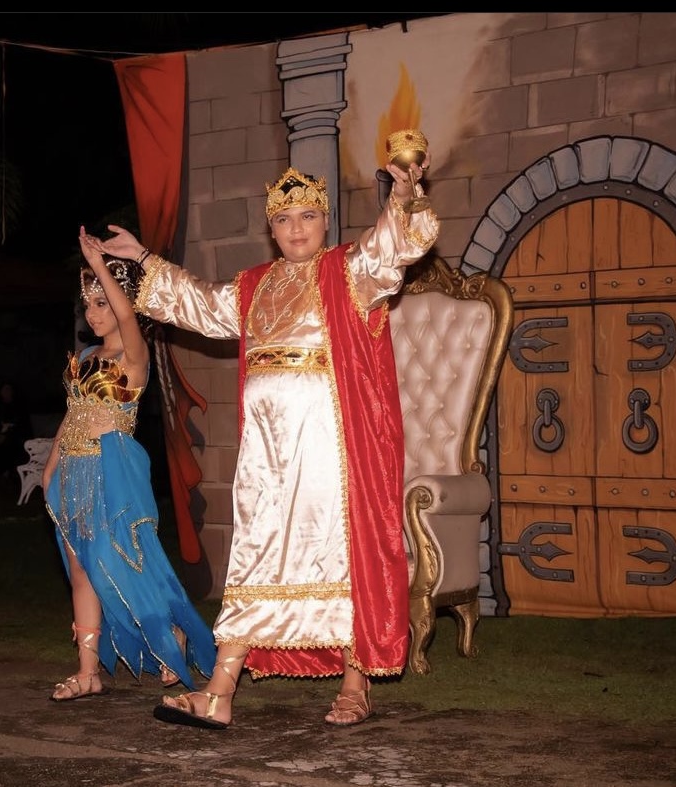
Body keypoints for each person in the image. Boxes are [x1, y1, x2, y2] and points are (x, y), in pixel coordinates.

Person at [85, 152, 440, 729]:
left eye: (308, 216)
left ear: (325, 221)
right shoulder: (254, 286)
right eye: (283, 219)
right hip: (265, 454)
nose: (296, 228)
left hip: (330, 448)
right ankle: (220, 691)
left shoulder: (350, 271)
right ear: (270, 229)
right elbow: (199, 303)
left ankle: (356, 685)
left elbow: (392, 249)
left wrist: (403, 196)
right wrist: (144, 258)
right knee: (253, 552)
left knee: (339, 551)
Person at [40, 230, 218, 702]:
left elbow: (124, 315)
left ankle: (170, 634)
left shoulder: (133, 355)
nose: (93, 313)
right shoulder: (87, 356)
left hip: (110, 472)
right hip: (72, 472)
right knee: (81, 571)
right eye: (88, 305)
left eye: (102, 303)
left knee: (118, 560)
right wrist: (51, 466)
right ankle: (88, 672)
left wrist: (99, 264)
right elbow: (73, 413)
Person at [0, 380, 32, 479]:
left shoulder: (19, 406)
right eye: (4, 390)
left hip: (14, 436)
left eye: (8, 389)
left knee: (12, 444)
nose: (7, 392)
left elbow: (23, 425)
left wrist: (9, 432)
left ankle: (8, 472)